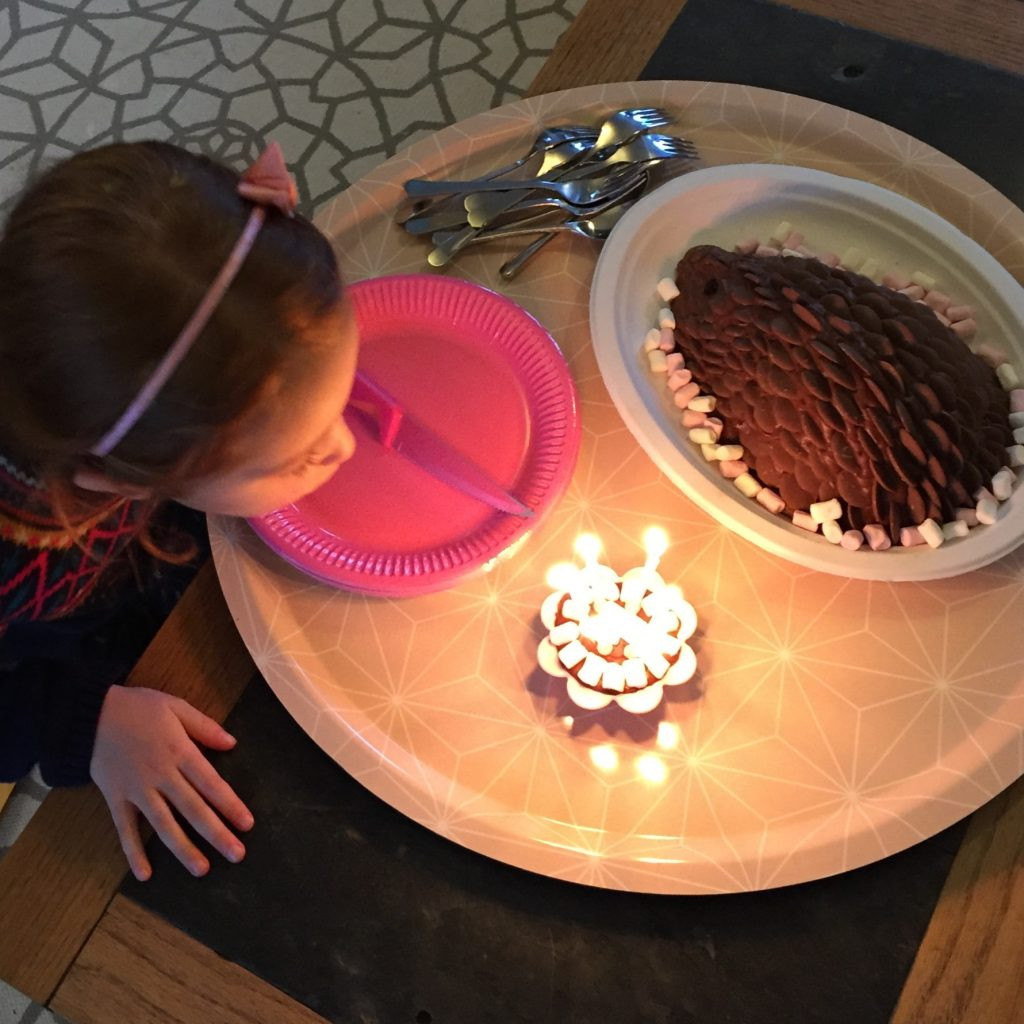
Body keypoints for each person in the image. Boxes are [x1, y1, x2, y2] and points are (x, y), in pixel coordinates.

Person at [0, 140, 359, 881]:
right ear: (116, 477)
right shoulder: (16, 561)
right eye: (294, 458)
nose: (347, 449)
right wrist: (87, 723)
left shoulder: (132, 368)